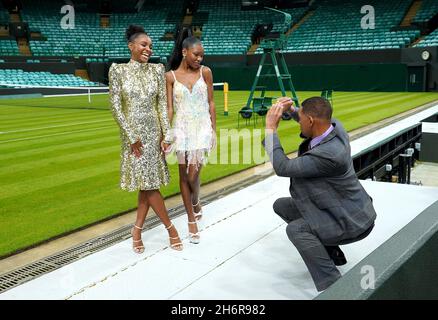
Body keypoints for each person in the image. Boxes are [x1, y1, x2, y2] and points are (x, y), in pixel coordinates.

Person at [262, 96, 377, 291]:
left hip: (352, 220)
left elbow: (283, 167)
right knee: (281, 205)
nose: (298, 122)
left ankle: (334, 287)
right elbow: (313, 119)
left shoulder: (328, 155)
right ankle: (332, 253)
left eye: (300, 117)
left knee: (297, 229)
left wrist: (271, 128)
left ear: (311, 121)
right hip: (342, 204)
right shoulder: (335, 127)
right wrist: (292, 111)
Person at [109, 25, 183, 253]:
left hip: (153, 135)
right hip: (134, 138)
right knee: (150, 185)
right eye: (143, 45)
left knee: (147, 185)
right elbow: (115, 106)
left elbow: (162, 105)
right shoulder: (118, 71)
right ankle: (171, 229)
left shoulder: (157, 70)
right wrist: (131, 137)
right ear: (131, 46)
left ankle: (137, 230)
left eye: (150, 46)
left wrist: (166, 134)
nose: (148, 49)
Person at [165, 28, 216, 244]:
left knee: (193, 175)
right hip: (181, 130)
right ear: (185, 52)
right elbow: (169, 108)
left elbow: (211, 102)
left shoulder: (206, 72)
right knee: (183, 176)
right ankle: (190, 220)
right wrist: (166, 134)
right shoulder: (170, 76)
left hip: (202, 129)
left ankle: (195, 201)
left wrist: (213, 129)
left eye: (201, 55)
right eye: (196, 54)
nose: (199, 58)